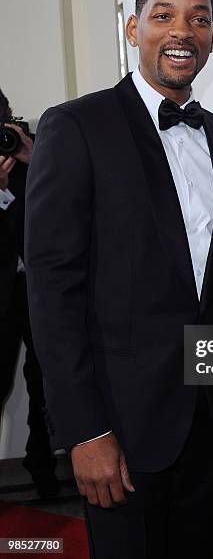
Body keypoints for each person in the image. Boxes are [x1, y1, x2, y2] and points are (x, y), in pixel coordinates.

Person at [25, 0, 213, 559]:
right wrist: (85, 430)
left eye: (198, 19)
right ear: (133, 28)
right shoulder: (77, 126)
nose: (183, 31)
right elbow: (52, 292)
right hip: (120, 430)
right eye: (163, 16)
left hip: (212, 421)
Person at [0, 89, 58, 498]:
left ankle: (44, 467)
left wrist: (31, 156)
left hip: (40, 289)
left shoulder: (32, 149)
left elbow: (64, 201)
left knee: (45, 380)